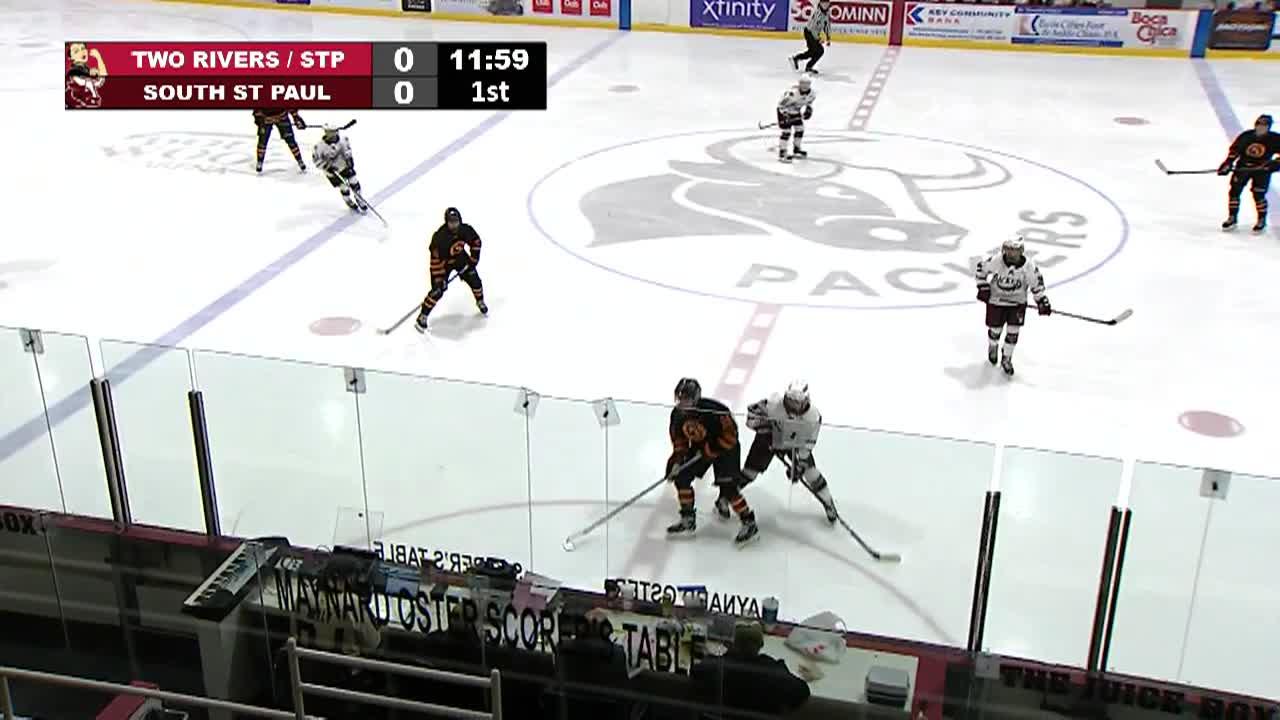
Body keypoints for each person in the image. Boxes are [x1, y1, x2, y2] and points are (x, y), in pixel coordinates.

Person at [665, 378, 759, 545]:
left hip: (726, 450)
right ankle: (688, 519)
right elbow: (679, 441)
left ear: (695, 398)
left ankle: (749, 522)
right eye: (680, 400)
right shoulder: (677, 415)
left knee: (729, 489)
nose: (682, 404)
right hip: (700, 448)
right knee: (682, 477)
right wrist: (677, 461)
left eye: (686, 400)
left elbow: (731, 435)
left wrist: (712, 449)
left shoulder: (715, 411)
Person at [744, 380, 838, 524]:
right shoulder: (773, 404)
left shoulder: (813, 416)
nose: (792, 405)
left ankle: (828, 503)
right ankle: (726, 498)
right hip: (768, 440)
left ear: (806, 400)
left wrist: (799, 464)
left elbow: (808, 444)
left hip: (794, 443)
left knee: (811, 472)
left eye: (796, 402)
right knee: (750, 473)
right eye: (790, 400)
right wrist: (766, 428)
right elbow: (751, 417)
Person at [690, 622, 810, 716]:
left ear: (732, 645)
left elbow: (696, 671)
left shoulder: (718, 666)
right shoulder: (771, 670)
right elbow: (802, 691)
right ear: (759, 646)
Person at [975, 236, 1050, 377]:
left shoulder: (1029, 267)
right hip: (996, 301)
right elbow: (981, 270)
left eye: (1014, 251)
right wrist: (983, 287)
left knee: (1013, 331)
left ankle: (1007, 358)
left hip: (1017, 303)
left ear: (1021, 251)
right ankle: (993, 345)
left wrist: (1041, 301)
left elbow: (1037, 285)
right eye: (1008, 250)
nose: (1010, 254)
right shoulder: (997, 261)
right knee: (995, 330)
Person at [415, 207, 487, 333]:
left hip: (460, 258)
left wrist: (473, 260)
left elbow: (476, 242)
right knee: (437, 291)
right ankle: (423, 315)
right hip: (443, 264)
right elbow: (435, 261)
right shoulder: (439, 238)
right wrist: (439, 279)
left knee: (474, 280)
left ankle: (480, 301)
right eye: (451, 222)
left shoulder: (466, 230)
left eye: (456, 222)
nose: (454, 225)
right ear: (446, 222)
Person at [1219, 113, 1279, 233]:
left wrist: (1274, 164)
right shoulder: (1246, 136)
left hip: (1261, 170)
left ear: (1269, 127)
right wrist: (1227, 163)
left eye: (1264, 126)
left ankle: (1261, 219)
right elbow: (1235, 150)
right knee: (1234, 192)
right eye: (1259, 124)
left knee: (1258, 195)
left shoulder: (1275, 139)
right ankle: (1232, 217)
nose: (1261, 127)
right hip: (1243, 168)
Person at [312, 125, 367, 213]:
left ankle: (359, 198)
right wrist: (327, 167)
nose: (333, 134)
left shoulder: (343, 140)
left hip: (343, 166)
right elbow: (316, 161)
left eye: (335, 131)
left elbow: (347, 151)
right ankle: (348, 200)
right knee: (344, 187)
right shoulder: (319, 146)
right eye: (330, 132)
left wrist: (349, 160)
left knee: (354, 181)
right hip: (332, 171)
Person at [776, 75, 816, 164]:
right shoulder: (792, 93)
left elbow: (809, 102)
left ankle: (796, 149)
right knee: (786, 131)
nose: (805, 86)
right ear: (799, 84)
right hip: (784, 111)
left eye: (807, 83)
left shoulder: (812, 94)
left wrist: (809, 110)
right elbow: (781, 105)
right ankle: (782, 152)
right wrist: (784, 116)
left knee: (800, 129)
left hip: (795, 111)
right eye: (802, 83)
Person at [253, 108, 307, 173]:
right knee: (262, 141)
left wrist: (296, 116)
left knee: (291, 140)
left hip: (281, 116)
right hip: (265, 118)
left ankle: (300, 160)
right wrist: (258, 117)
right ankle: (260, 162)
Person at [789, 0, 832, 74]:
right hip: (809, 33)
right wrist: (818, 39)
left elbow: (827, 25)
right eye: (823, 3)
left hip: (814, 34)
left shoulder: (827, 13)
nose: (825, 5)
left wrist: (828, 37)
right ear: (820, 4)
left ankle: (797, 59)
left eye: (827, 3)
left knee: (814, 52)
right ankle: (801, 62)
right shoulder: (817, 14)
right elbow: (812, 28)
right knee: (818, 50)